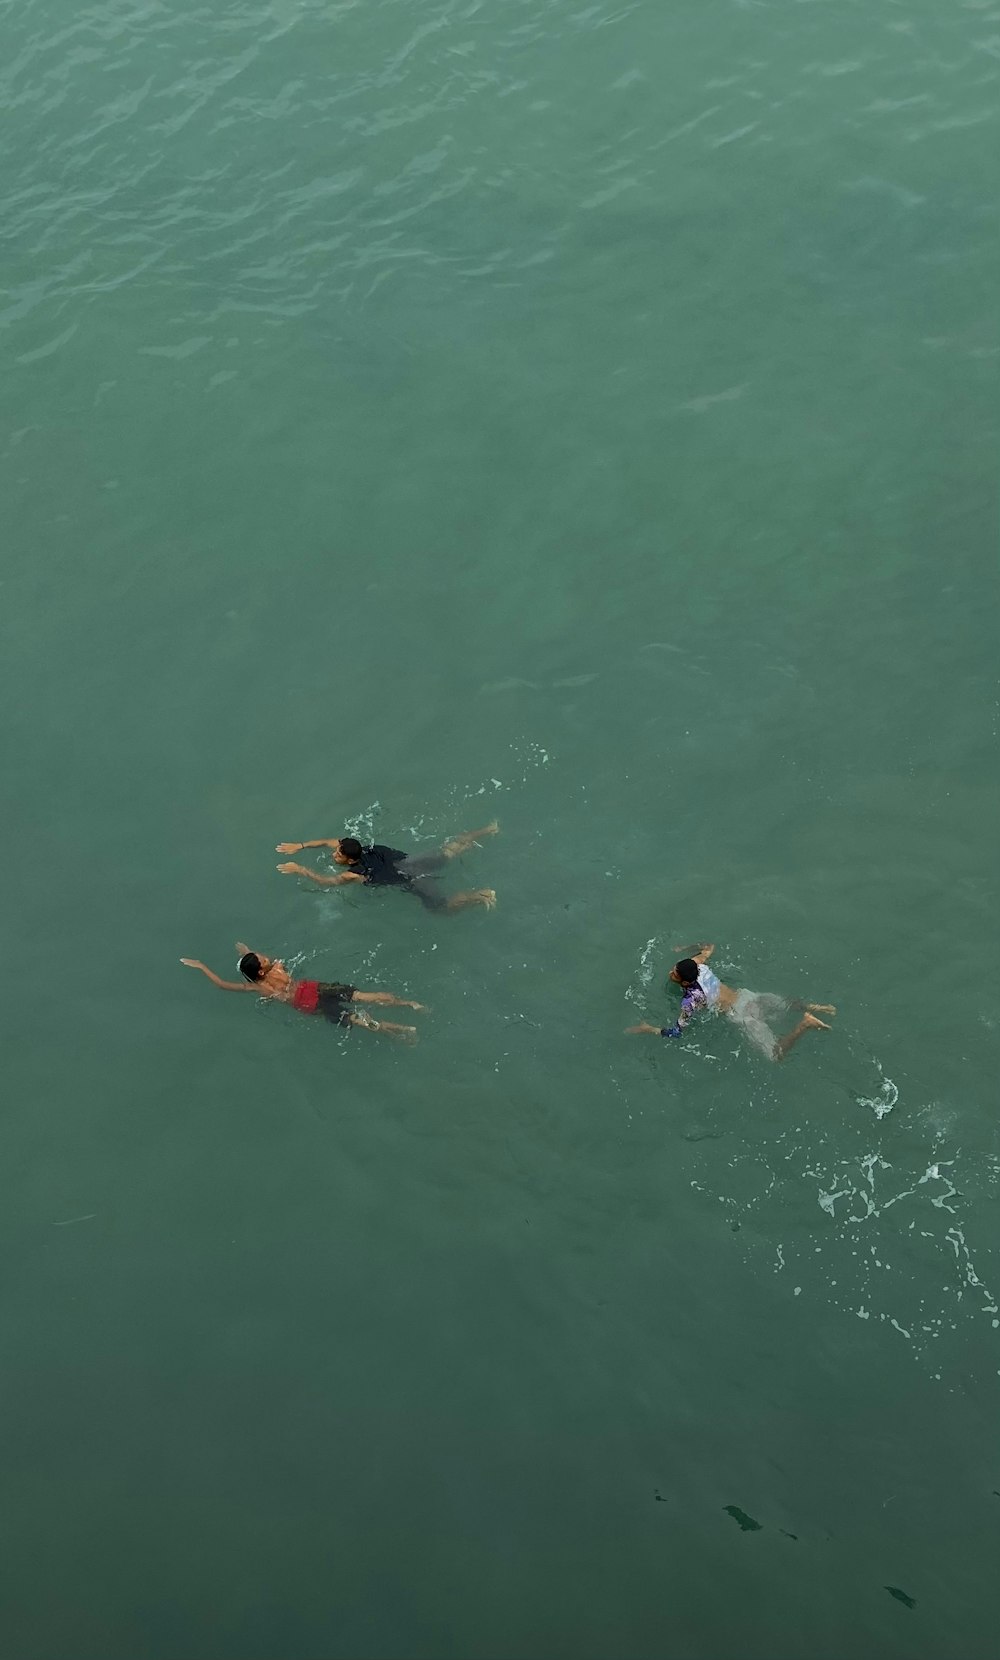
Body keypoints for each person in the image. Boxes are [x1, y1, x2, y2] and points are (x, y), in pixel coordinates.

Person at [627, 943, 835, 1061]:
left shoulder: (692, 999)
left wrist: (649, 1029)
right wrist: (685, 948)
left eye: (674, 973)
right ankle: (818, 1007)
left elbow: (677, 1032)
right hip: (748, 997)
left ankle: (805, 1023)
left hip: (742, 1016)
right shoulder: (699, 965)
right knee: (787, 1003)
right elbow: (708, 947)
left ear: (684, 980)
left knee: (775, 1055)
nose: (669, 972)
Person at [180, 943, 425, 1040]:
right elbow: (264, 962)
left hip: (308, 1004)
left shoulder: (258, 986)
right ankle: (410, 1004)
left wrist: (202, 966)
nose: (264, 957)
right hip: (313, 988)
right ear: (263, 967)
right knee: (360, 996)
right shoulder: (278, 967)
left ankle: (401, 1030)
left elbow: (223, 984)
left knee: (354, 1020)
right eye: (260, 958)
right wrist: (246, 951)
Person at [275, 821, 499, 913]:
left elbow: (327, 882)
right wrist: (301, 845)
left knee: (440, 908)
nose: (334, 853)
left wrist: (300, 870)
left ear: (349, 860)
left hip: (412, 878)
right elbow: (326, 842)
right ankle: (488, 830)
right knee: (448, 852)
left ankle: (481, 895)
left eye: (338, 854)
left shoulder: (354, 873)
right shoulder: (358, 848)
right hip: (410, 861)